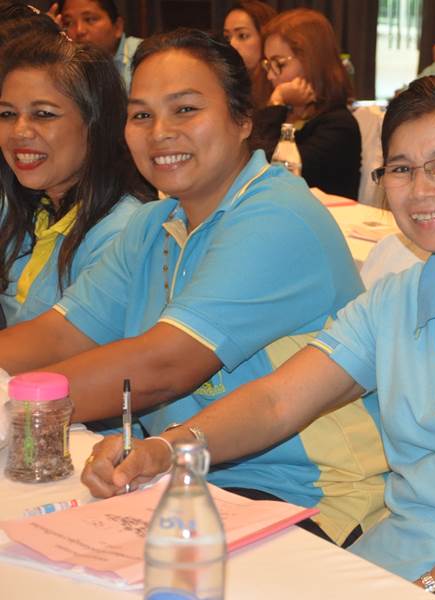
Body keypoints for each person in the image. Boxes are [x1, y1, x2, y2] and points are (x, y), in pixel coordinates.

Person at [81, 74, 435, 598]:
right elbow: (277, 401)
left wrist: (427, 589)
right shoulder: (398, 298)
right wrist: (163, 450)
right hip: (396, 560)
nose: (420, 190)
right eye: (401, 169)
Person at [0, 28, 387, 547]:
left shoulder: (277, 215)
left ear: (243, 119)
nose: (160, 132)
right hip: (184, 478)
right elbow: (60, 336)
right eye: (141, 115)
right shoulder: (153, 224)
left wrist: (21, 405)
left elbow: (164, 366)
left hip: (299, 494)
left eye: (185, 109)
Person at [0, 32, 148, 327]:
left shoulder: (123, 231)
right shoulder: (24, 207)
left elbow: (59, 342)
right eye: (7, 114)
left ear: (96, 124)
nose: (19, 131)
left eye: (44, 114)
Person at [257, 8, 361, 198]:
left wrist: (276, 102)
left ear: (311, 61)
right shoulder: (283, 115)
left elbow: (271, 171)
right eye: (268, 65)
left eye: (279, 64)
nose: (270, 75)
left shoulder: (338, 125)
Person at [57, 0, 142, 88]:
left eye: (89, 19)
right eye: (68, 23)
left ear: (118, 27)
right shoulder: (65, 65)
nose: (79, 30)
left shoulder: (144, 58)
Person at [223, 0, 276, 110]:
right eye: (227, 38)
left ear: (265, 37)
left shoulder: (279, 84)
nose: (232, 45)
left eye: (242, 36)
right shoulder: (227, 85)